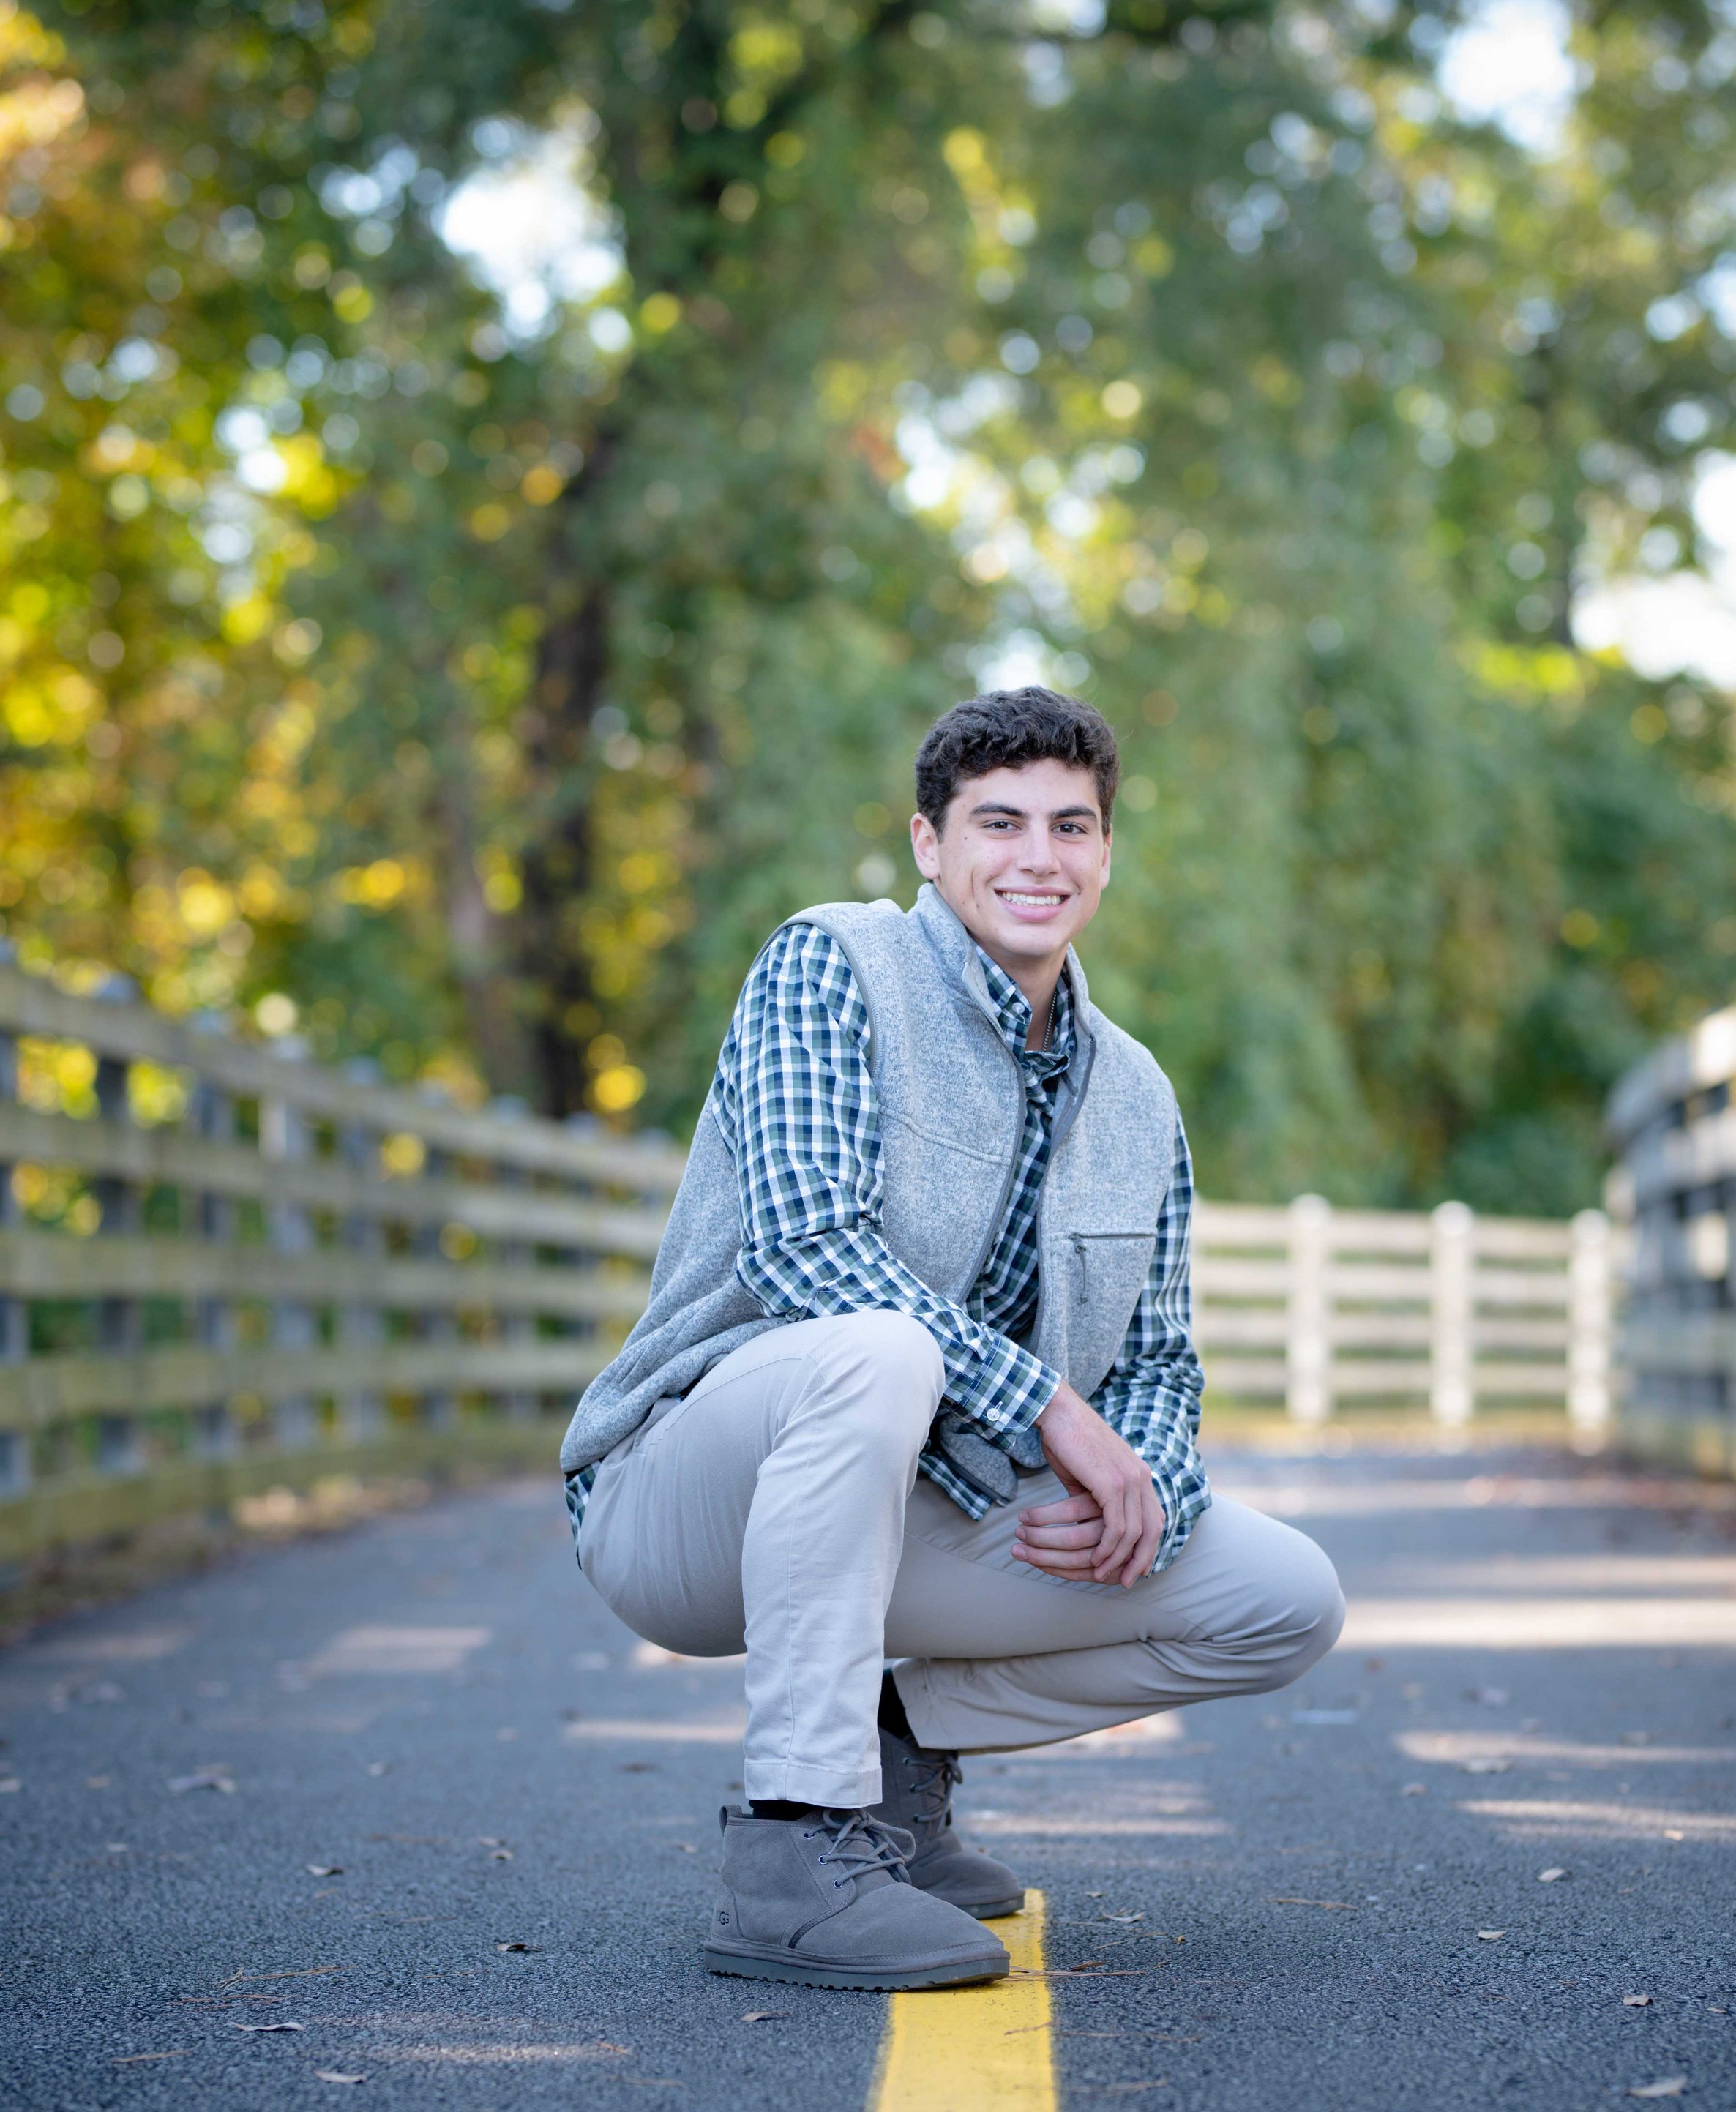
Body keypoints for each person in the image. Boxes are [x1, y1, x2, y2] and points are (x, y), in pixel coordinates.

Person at [561, 687, 1344, 1990]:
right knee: (878, 1347)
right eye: (1000, 822)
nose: (1039, 856)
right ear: (929, 842)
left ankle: (888, 1765)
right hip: (683, 1495)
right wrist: (1056, 1417)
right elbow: (806, 1250)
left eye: (1072, 826)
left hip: (920, 1509)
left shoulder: (1139, 1094)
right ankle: (793, 1853)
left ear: (1105, 854)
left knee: (1281, 1597)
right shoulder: (835, 964)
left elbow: (1159, 1355)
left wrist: (1136, 1482)